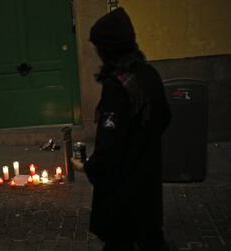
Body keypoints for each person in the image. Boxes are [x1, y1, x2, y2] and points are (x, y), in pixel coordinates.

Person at [71, 8, 171, 251]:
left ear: (108, 50)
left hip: (123, 185)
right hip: (148, 175)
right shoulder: (149, 74)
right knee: (149, 236)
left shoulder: (118, 86)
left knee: (119, 239)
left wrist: (87, 167)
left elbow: (109, 145)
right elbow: (165, 117)